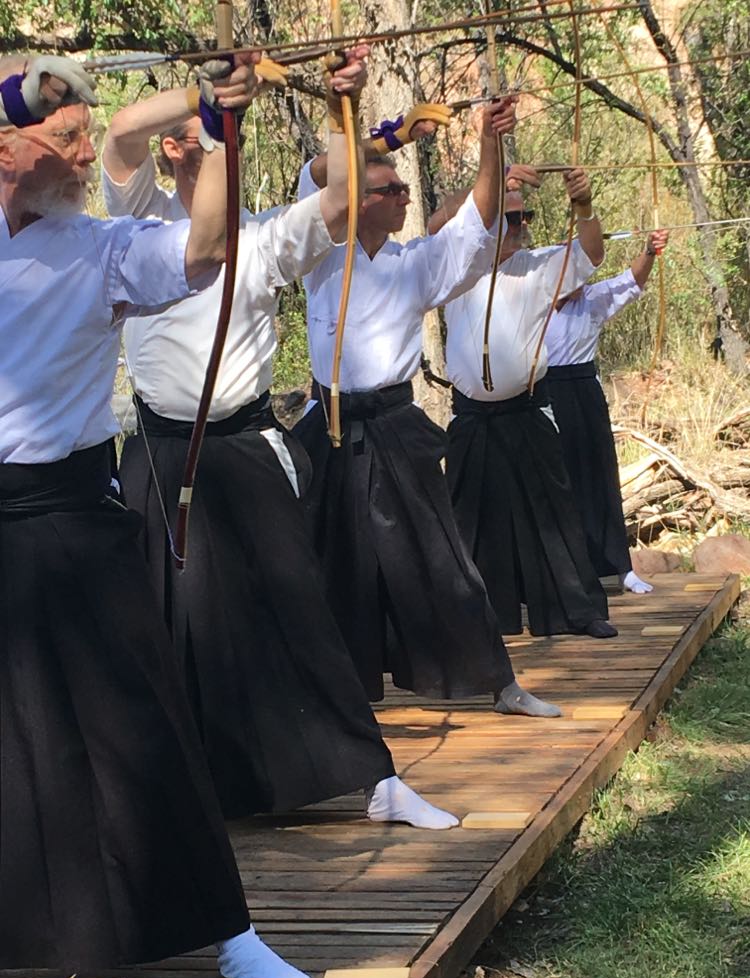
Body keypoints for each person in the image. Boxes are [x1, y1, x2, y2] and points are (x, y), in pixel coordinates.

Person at [0, 52, 316, 978]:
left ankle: (229, 933)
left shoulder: (102, 246)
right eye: (63, 136)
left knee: (140, 727)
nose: (84, 148)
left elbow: (206, 248)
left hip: (69, 516)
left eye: (85, 132)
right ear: (5, 149)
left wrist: (215, 117)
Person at [101, 53, 458, 831]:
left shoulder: (262, 239)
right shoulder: (134, 225)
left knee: (297, 612)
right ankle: (184, 793)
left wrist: (346, 114)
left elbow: (338, 198)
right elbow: (123, 131)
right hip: (160, 455)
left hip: (243, 448)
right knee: (167, 623)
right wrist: (202, 100)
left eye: (210, 138)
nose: (188, 147)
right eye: (187, 138)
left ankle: (372, 778)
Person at [294, 98, 561, 718]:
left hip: (393, 427)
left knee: (443, 560)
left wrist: (489, 144)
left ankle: (500, 684)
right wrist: (383, 138)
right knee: (327, 564)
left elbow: (475, 220)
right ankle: (336, 700)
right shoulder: (318, 253)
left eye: (407, 187)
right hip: (331, 427)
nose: (406, 197)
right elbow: (320, 175)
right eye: (392, 189)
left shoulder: (414, 263)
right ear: (358, 199)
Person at [438, 171, 619, 640]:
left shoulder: (539, 266)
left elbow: (592, 253)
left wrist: (583, 205)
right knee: (470, 521)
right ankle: (477, 619)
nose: (519, 226)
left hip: (526, 409)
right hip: (473, 417)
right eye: (510, 216)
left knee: (553, 514)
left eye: (524, 217)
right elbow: (438, 222)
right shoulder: (458, 264)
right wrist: (490, 182)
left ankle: (576, 610)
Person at [545, 229, 670, 594]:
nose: (579, 280)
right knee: (557, 481)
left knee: (599, 474)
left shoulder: (593, 299)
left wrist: (648, 250)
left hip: (584, 390)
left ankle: (620, 567)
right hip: (543, 394)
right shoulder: (529, 304)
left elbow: (631, 280)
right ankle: (564, 573)